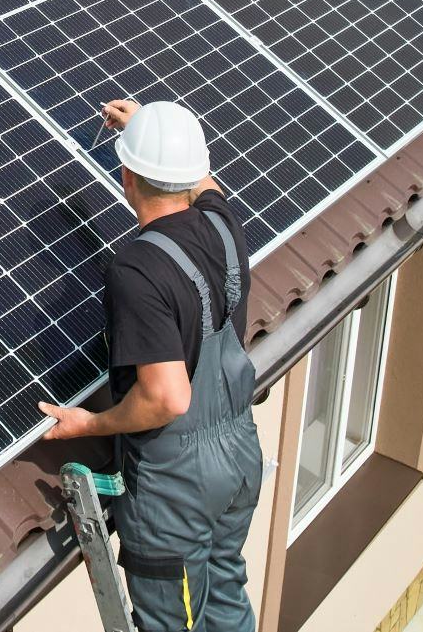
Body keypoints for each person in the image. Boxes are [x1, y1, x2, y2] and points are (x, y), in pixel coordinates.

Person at [40, 99, 263, 632]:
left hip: (176, 488)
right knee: (226, 597)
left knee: (174, 622)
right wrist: (152, 130)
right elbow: (204, 186)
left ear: (127, 176)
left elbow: (166, 397)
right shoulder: (223, 224)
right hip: (238, 457)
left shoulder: (137, 268)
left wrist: (88, 424)